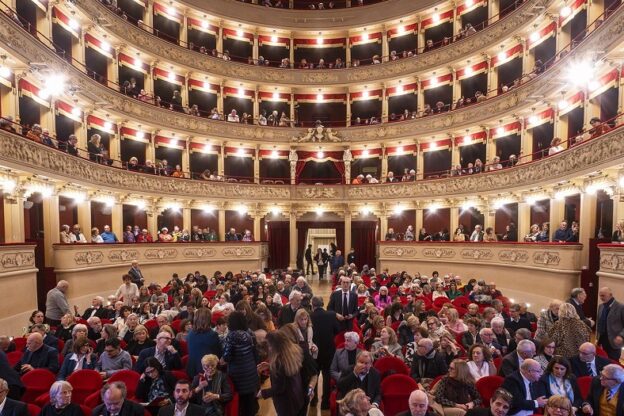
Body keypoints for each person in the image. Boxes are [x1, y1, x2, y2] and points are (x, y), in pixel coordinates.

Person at [258, 331, 306, 416]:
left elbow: (279, 388)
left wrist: (263, 393)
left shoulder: (278, 362)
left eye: (269, 345)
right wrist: (270, 366)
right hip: (296, 398)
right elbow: (286, 372)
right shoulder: (291, 353)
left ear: (275, 346)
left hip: (286, 403)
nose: (268, 348)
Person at [222, 311, 259, 416]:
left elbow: (227, 357)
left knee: (241, 403)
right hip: (251, 371)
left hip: (238, 374)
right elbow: (255, 353)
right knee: (250, 401)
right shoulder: (250, 333)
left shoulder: (231, 336)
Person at [310, 296, 340, 409]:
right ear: (323, 304)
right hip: (329, 350)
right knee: (327, 376)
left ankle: (313, 400)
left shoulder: (309, 316)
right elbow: (337, 330)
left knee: (314, 375)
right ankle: (325, 403)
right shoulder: (331, 315)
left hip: (314, 351)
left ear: (313, 305)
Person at [185, 308, 221, 379]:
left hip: (191, 370)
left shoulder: (190, 333)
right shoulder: (212, 335)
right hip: (206, 371)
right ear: (208, 319)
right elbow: (218, 355)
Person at [596, 286, 624, 360]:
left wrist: (621, 336)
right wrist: (597, 338)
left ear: (610, 295)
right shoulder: (601, 306)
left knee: (613, 362)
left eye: (603, 295)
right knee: (601, 361)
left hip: (614, 341)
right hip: (601, 340)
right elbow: (599, 323)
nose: (601, 298)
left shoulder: (621, 307)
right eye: (600, 295)